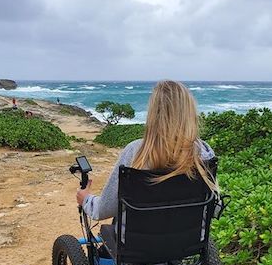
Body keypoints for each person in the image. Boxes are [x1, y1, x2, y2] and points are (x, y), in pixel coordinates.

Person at [76, 80, 216, 220]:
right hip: (190, 240)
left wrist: (86, 199)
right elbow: (213, 207)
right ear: (190, 112)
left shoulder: (135, 151)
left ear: (154, 114)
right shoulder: (204, 152)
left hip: (136, 241)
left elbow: (104, 210)